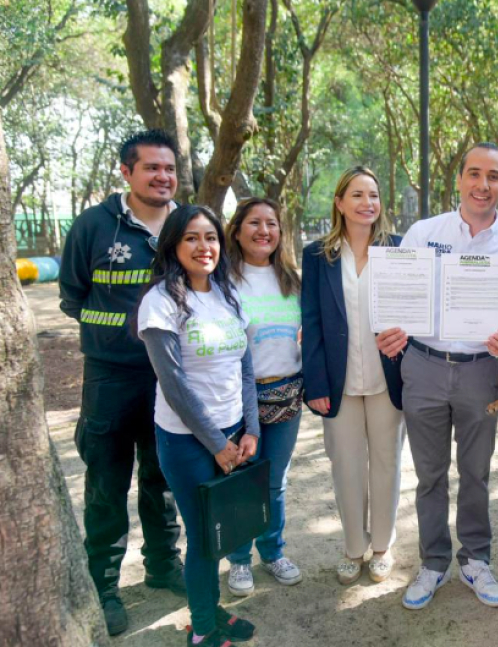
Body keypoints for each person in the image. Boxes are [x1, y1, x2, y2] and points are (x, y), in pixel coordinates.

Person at [59, 129, 184, 635]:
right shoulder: (94, 226)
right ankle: (104, 586)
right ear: (126, 172)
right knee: (107, 483)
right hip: (109, 379)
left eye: (169, 168)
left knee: (163, 477)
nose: (163, 176)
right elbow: (72, 295)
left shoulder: (185, 224)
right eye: (152, 168)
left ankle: (163, 565)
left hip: (170, 377)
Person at [384, 142, 498, 610]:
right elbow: (399, 298)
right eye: (475, 174)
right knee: (429, 475)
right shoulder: (423, 233)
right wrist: (389, 332)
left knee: (476, 473)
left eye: (494, 176)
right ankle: (434, 562)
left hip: (481, 370)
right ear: (459, 178)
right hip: (421, 366)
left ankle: (476, 559)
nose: (483, 185)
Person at [136, 205, 260, 647]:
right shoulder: (160, 302)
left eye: (210, 236)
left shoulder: (228, 293)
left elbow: (246, 370)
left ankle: (210, 610)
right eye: (191, 237)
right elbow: (175, 387)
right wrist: (216, 445)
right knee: (204, 537)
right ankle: (203, 629)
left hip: (234, 433)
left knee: (222, 533)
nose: (203, 246)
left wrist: (251, 431)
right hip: (187, 441)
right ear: (173, 244)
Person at [301, 167, 406, 585]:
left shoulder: (398, 250)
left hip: (388, 378)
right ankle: (352, 546)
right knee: (346, 465)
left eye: (374, 195)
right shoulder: (316, 256)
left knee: (387, 463)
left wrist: (407, 339)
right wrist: (315, 383)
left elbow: (416, 310)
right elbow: (310, 321)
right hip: (337, 381)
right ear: (340, 203)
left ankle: (381, 546)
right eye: (358, 195)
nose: (367, 203)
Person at [223, 198, 305, 596]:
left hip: (287, 392)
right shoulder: (223, 279)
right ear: (237, 230)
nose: (263, 231)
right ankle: (238, 561)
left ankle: (272, 552)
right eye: (253, 223)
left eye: (271, 223)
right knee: (242, 479)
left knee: (274, 481)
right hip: (241, 397)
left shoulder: (291, 278)